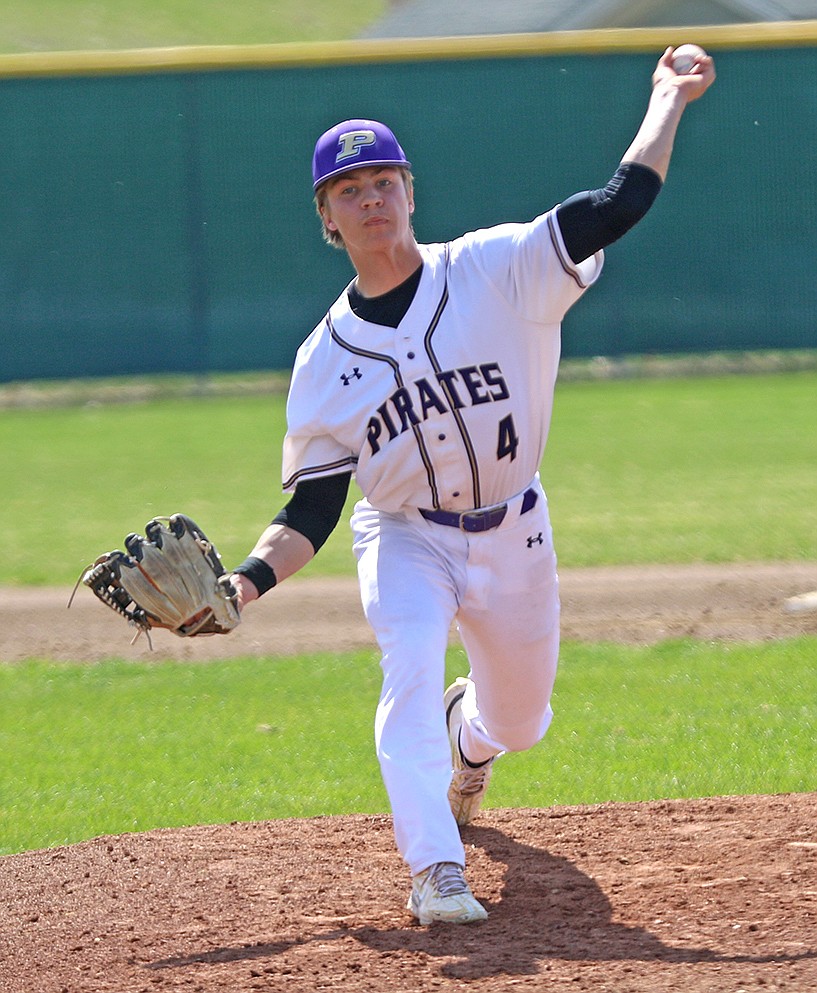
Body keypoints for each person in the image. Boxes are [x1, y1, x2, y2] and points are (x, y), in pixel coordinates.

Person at [229, 46, 716, 925]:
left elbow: (620, 203)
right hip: (404, 531)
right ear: (327, 221)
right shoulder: (323, 364)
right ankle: (434, 870)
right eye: (350, 191)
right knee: (407, 664)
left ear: (411, 193)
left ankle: (471, 738)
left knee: (521, 722)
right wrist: (242, 583)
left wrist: (666, 98)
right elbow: (310, 508)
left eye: (384, 180)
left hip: (513, 527)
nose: (371, 198)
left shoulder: (497, 268)